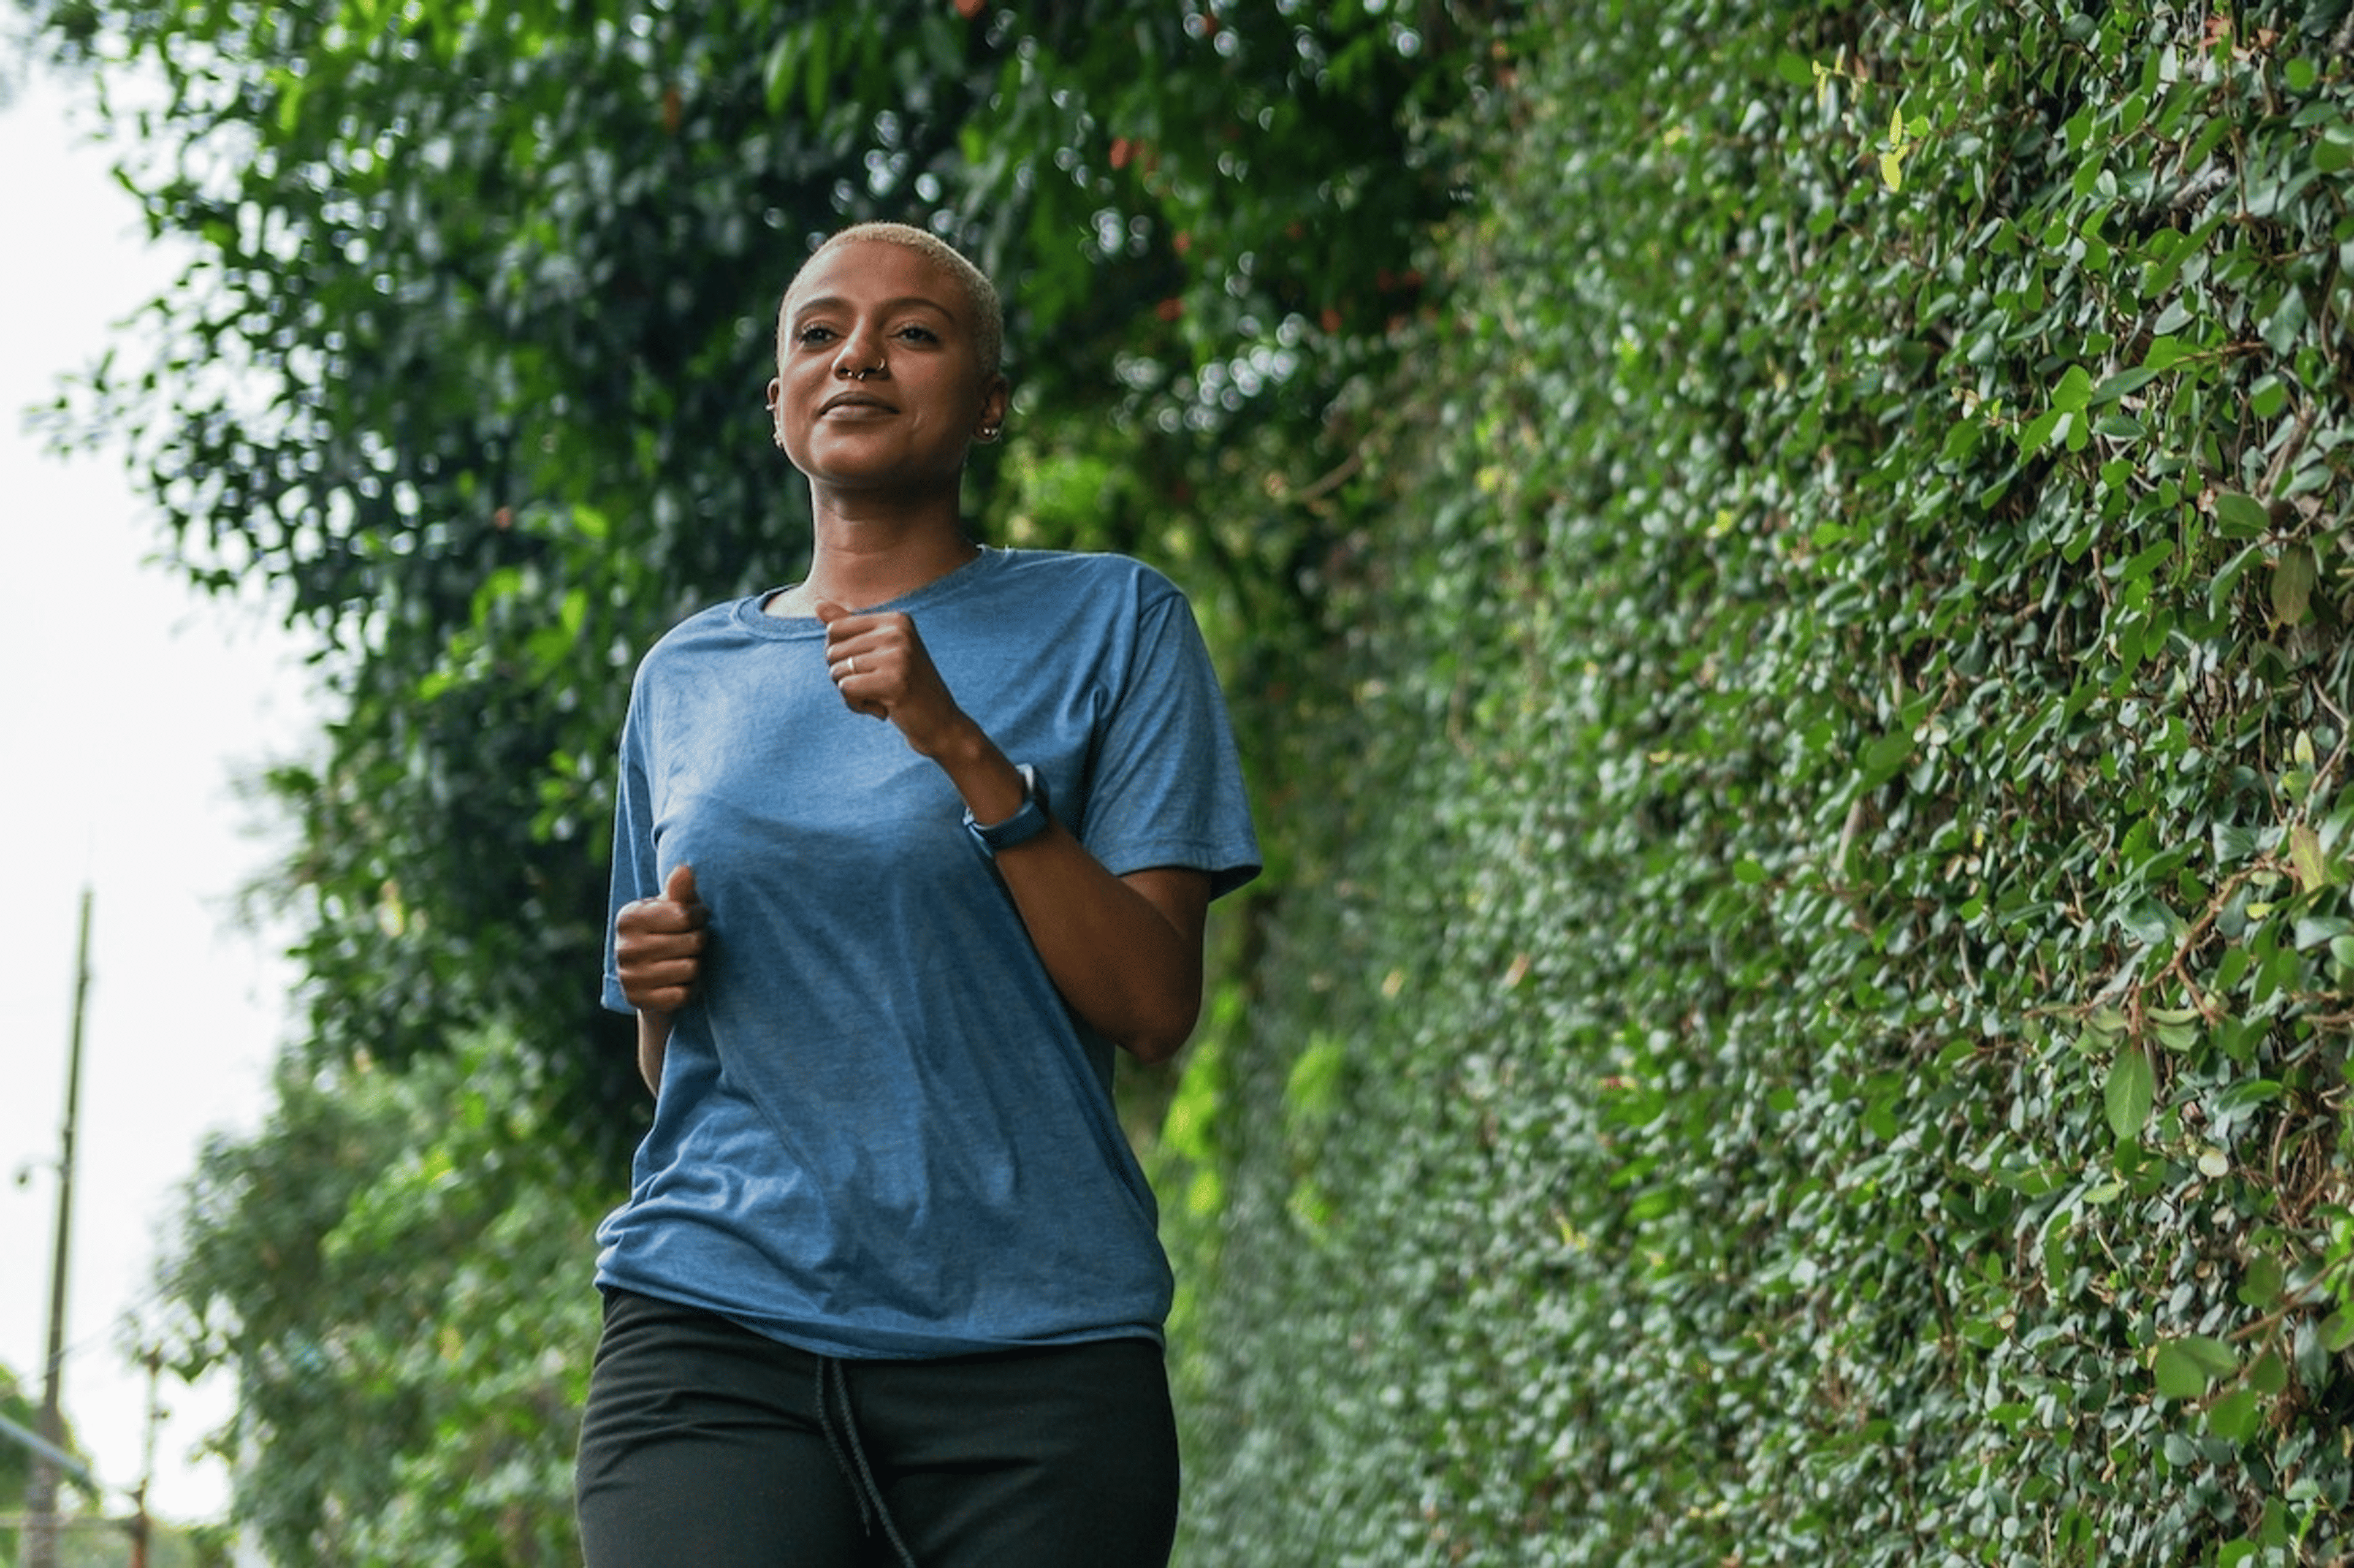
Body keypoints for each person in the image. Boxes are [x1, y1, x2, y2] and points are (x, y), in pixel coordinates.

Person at [571, 221, 1260, 1568]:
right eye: (819, 334)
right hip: (715, 1325)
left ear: (990, 403)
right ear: (779, 404)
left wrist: (964, 751)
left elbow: (1152, 1003)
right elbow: (690, 1072)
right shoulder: (684, 679)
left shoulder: (1118, 623)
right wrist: (657, 995)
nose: (860, 358)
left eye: (917, 333)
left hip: (1034, 1353)